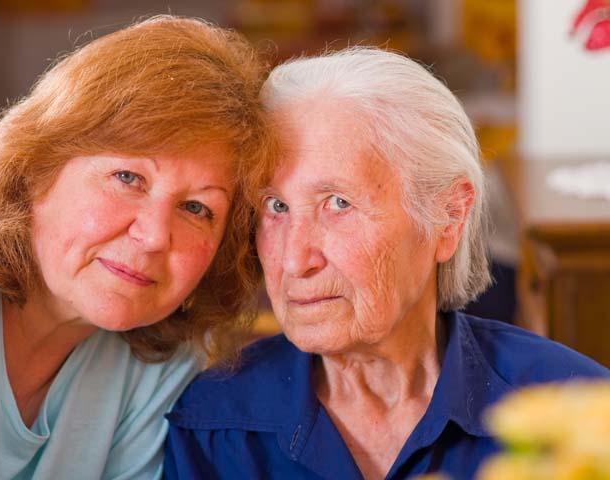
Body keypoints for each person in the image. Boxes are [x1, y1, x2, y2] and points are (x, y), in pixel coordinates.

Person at [163, 48, 610, 480]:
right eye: (276, 206)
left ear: (447, 217)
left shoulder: (577, 415)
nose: (294, 260)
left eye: (338, 203)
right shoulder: (213, 428)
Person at [0, 16, 275, 479]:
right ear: (36, 168)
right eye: (128, 178)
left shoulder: (160, 359)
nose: (154, 236)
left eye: (196, 209)